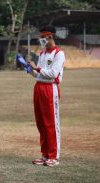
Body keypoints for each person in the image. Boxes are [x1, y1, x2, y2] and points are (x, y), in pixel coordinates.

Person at [27, 26, 65, 166]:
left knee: (51, 123)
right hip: (39, 87)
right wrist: (31, 71)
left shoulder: (58, 53)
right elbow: (40, 74)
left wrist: (37, 68)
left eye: (43, 38)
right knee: (41, 123)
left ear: (50, 37)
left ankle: (54, 156)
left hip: (50, 89)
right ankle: (45, 154)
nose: (41, 41)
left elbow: (53, 74)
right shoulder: (42, 54)